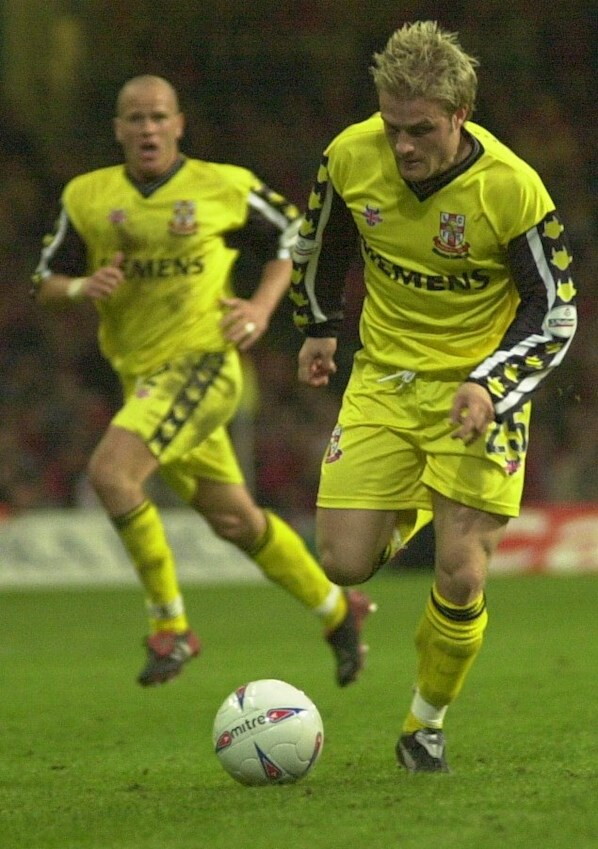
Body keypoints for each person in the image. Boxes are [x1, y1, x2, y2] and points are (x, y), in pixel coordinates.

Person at [291, 21, 577, 772]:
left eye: (420, 130)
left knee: (461, 570)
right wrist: (318, 327)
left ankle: (424, 724)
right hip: (384, 379)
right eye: (392, 126)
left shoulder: (511, 188)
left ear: (460, 115)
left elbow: (554, 311)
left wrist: (492, 382)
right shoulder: (350, 155)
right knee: (342, 561)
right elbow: (321, 240)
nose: (402, 145)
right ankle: (418, 501)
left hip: (477, 393)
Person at [32, 74, 375, 689]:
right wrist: (83, 287)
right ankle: (335, 610)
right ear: (118, 129)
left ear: (179, 124)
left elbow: (297, 236)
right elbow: (45, 281)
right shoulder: (87, 196)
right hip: (141, 378)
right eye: (135, 118)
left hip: (203, 364)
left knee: (111, 474)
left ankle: (171, 627)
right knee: (236, 521)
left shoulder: (223, 186)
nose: (148, 128)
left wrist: (261, 309)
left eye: (158, 116)